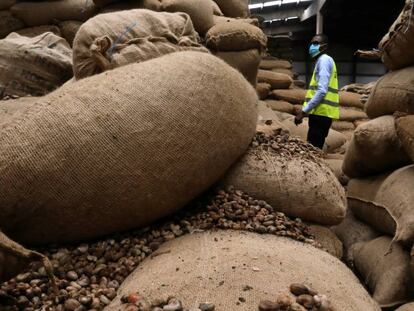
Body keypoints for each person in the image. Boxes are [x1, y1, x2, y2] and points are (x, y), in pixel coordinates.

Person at [295, 34, 340, 150]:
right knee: (315, 147)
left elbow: (321, 91)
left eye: (315, 43)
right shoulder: (324, 60)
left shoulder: (324, 60)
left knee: (313, 149)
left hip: (321, 113)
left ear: (325, 46)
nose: (312, 46)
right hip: (321, 113)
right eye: (311, 43)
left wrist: (304, 111)